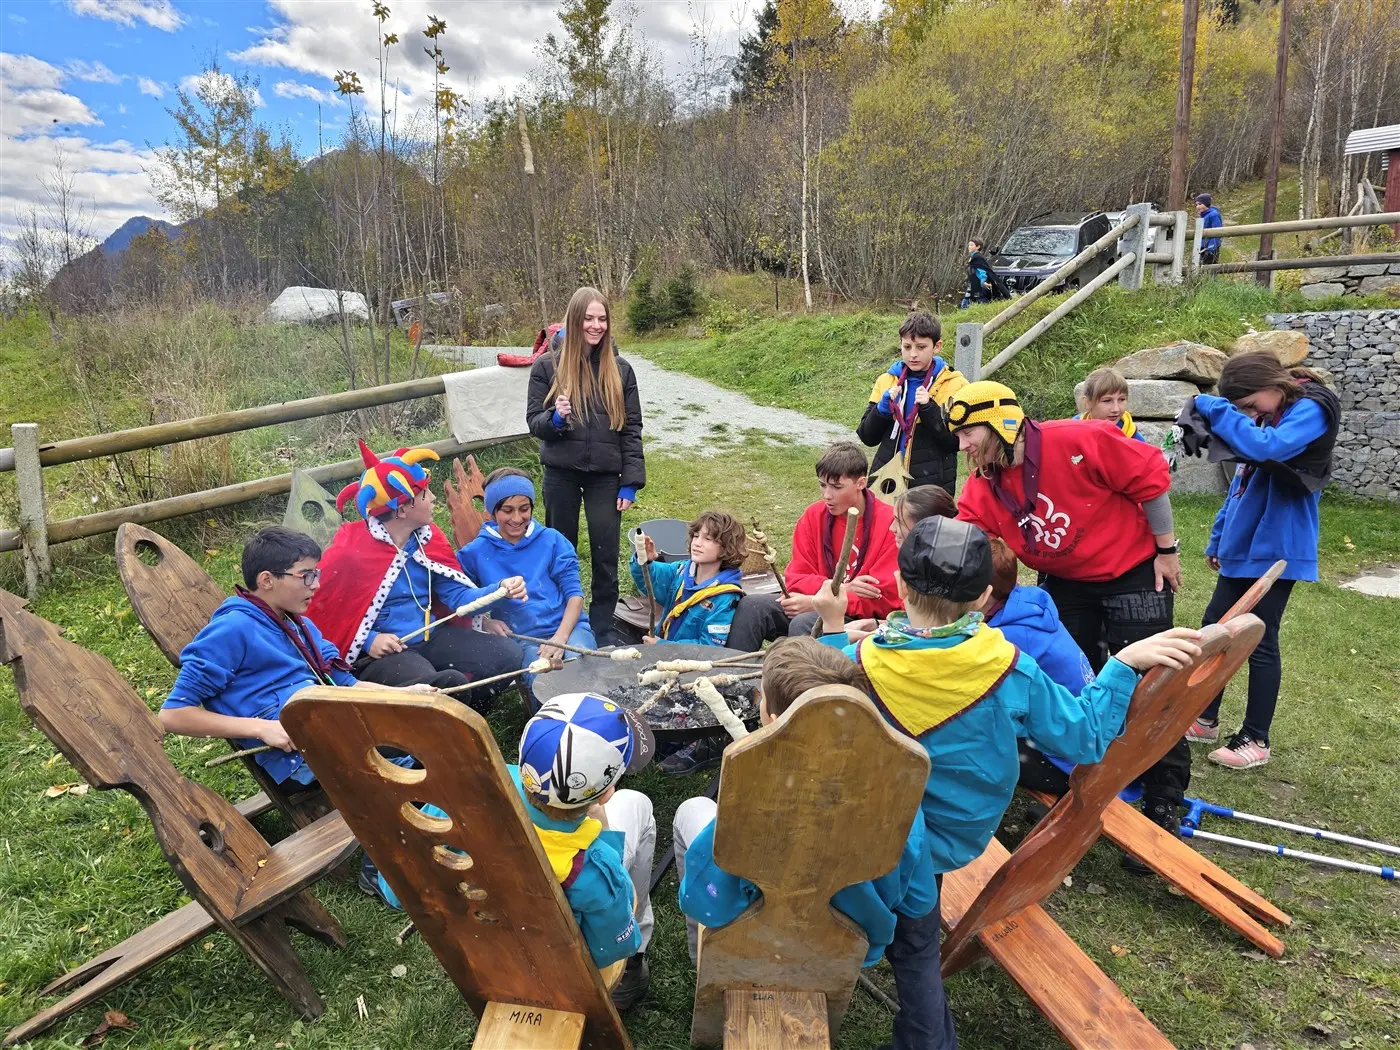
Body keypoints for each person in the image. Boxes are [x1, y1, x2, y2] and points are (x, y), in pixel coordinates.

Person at [811, 516, 1203, 1050]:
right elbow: (1086, 736)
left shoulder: (860, 661)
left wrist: (835, 628)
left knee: (915, 943)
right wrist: (1123, 665)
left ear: (900, 587)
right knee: (917, 932)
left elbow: (819, 709)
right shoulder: (1008, 667)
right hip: (959, 830)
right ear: (983, 599)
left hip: (887, 832)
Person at [947, 381, 1190, 869]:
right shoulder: (982, 484)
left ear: (1002, 421)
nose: (963, 445)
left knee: (1153, 683)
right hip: (1065, 578)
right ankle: (1093, 775)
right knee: (1076, 687)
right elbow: (968, 541)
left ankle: (1165, 800)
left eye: (968, 431)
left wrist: (1166, 550)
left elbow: (1151, 480)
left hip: (1131, 568)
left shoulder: (1078, 441)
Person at [159, 526, 430, 899]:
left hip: (332, 725)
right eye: (307, 576)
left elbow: (344, 686)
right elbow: (173, 715)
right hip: (297, 757)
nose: (316, 585)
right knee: (397, 759)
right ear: (267, 580)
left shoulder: (296, 622)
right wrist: (261, 729)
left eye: (315, 574)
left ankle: (420, 840)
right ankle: (379, 868)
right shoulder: (233, 629)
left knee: (420, 732)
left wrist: (404, 695)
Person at [372, 693, 657, 1010]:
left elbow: (395, 891)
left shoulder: (462, 792)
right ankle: (634, 974)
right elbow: (613, 947)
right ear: (604, 793)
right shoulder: (592, 870)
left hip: (482, 952)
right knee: (638, 805)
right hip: (557, 970)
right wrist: (603, 835)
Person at [671, 636, 936, 966]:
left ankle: (706, 961)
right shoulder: (897, 801)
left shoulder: (750, 798)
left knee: (690, 810)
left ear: (770, 716)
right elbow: (919, 901)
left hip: (751, 939)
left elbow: (705, 897)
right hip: (846, 944)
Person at [1185, 352, 1340, 770]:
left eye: (1251, 404)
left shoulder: (1312, 408)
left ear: (1274, 383)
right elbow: (1241, 482)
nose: (1251, 414)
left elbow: (1264, 449)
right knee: (1215, 629)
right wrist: (1220, 537)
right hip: (1244, 540)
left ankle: (1256, 738)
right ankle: (1205, 717)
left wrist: (1214, 405)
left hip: (1279, 544)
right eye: (1244, 409)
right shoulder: (1270, 415)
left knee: (1259, 638)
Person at [306, 442, 526, 711]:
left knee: (508, 655)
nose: (433, 498)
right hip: (382, 656)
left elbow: (458, 598)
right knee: (435, 687)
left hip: (430, 637)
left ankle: (468, 715)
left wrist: (499, 591)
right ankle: (432, 713)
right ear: (401, 509)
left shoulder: (429, 539)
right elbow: (322, 613)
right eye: (424, 494)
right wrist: (369, 640)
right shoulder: (350, 550)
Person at [527, 287, 645, 642]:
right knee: (561, 549)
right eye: (588, 319)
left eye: (602, 319)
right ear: (574, 321)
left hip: (606, 478)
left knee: (605, 550)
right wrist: (557, 419)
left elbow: (632, 428)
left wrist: (631, 481)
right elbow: (535, 422)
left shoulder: (621, 371)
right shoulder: (547, 366)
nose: (596, 326)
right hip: (560, 474)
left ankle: (602, 625)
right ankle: (562, 620)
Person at [726, 442, 902, 645]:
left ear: (861, 483)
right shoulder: (813, 516)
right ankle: (731, 674)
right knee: (751, 607)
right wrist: (844, 588)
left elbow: (883, 596)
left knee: (803, 622)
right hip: (816, 600)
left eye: (837, 487)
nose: (827, 495)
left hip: (856, 617)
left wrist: (818, 602)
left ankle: (804, 676)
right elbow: (796, 578)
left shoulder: (889, 523)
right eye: (822, 485)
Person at [456, 467, 596, 708]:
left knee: (580, 665)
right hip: (522, 638)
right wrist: (485, 623)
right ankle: (548, 734)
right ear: (492, 511)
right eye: (507, 510)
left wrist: (560, 639)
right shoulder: (475, 553)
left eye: (524, 509)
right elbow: (459, 599)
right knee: (543, 679)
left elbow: (574, 595)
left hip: (569, 629)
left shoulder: (552, 540)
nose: (517, 518)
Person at [858, 311, 965, 497]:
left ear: (937, 346)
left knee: (924, 527)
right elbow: (867, 437)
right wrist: (882, 408)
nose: (913, 354)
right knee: (884, 526)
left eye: (921, 347)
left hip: (930, 484)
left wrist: (928, 409)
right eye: (907, 347)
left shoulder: (955, 384)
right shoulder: (887, 380)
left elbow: (954, 442)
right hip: (886, 479)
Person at [630, 511, 747, 648]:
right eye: (696, 536)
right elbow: (651, 580)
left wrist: (662, 646)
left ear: (727, 548)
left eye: (707, 539)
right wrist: (645, 561)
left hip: (689, 665)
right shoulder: (681, 570)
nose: (697, 543)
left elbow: (709, 646)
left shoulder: (725, 598)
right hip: (661, 654)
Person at [1075, 366, 1146, 441]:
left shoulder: (1134, 439)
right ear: (1088, 403)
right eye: (1107, 401)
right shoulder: (1074, 430)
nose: (1116, 409)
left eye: (1121, 399)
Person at [963, 237, 1007, 307]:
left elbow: (982, 271)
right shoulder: (973, 256)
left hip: (979, 285)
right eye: (969, 245)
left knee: (977, 303)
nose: (969, 247)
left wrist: (982, 282)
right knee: (966, 303)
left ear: (978, 247)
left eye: (971, 245)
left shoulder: (977, 257)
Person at [1196, 193, 1223, 266]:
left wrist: (1211, 247)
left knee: (1210, 269)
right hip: (1203, 248)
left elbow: (1217, 232)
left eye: (1200, 204)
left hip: (1211, 249)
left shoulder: (1213, 215)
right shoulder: (1203, 216)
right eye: (1196, 204)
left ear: (1206, 204)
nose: (1197, 206)